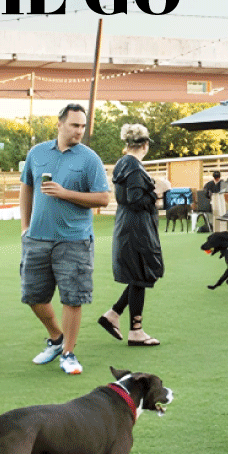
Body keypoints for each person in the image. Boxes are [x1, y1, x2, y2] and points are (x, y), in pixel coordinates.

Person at [18, 104, 112, 375]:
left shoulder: (89, 159)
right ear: (59, 125)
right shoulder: (36, 154)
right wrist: (25, 226)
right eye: (74, 125)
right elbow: (27, 187)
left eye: (82, 126)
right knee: (33, 295)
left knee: (72, 298)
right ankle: (57, 338)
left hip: (74, 239)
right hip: (37, 238)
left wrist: (65, 193)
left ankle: (69, 353)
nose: (79, 131)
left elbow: (103, 199)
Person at [99, 124, 166, 347]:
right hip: (137, 229)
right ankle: (135, 330)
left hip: (128, 226)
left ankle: (114, 315)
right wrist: (158, 190)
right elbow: (137, 200)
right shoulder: (135, 167)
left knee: (140, 275)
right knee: (142, 274)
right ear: (145, 145)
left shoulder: (124, 164)